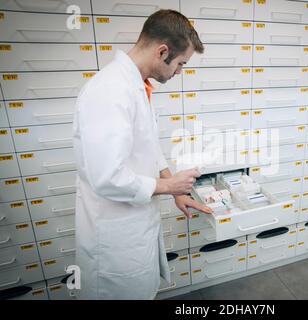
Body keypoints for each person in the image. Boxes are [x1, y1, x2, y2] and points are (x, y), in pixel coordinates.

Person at [72, 9, 212, 300]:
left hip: (135, 227)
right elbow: (107, 177)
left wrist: (174, 189)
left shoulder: (138, 87)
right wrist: (167, 186)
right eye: (181, 63)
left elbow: (149, 146)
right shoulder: (110, 91)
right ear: (163, 52)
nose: (179, 72)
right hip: (114, 242)